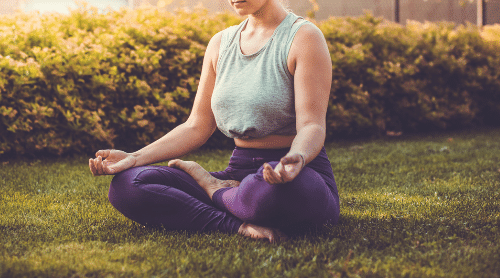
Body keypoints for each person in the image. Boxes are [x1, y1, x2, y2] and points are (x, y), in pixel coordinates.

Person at [89, 0, 339, 243]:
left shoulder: (303, 37)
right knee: (128, 185)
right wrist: (134, 158)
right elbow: (197, 125)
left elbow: (312, 125)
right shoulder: (221, 43)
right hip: (237, 175)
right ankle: (236, 222)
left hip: (295, 175)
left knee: (268, 193)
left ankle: (215, 191)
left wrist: (297, 157)